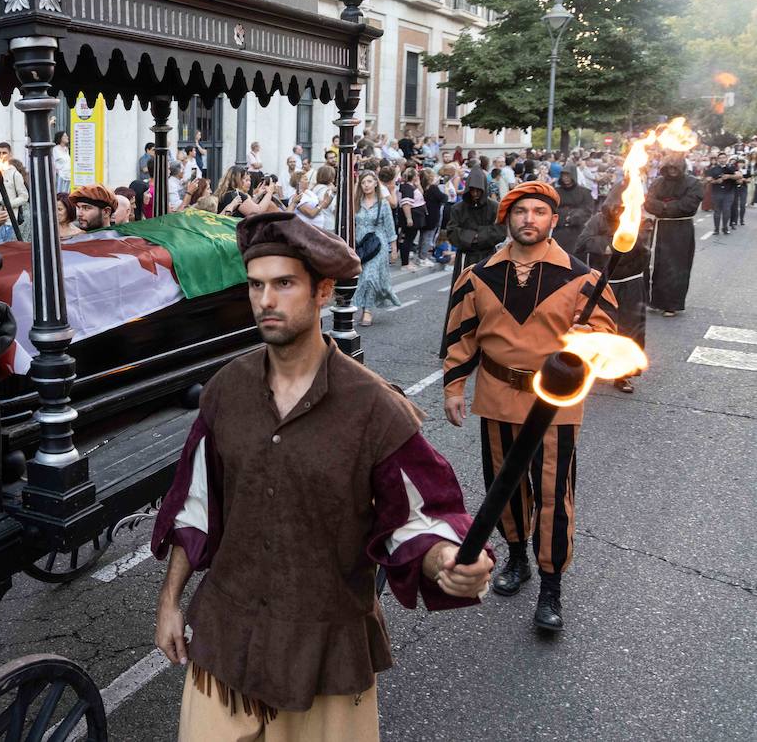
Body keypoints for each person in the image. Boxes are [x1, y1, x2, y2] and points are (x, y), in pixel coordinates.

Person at [152, 211, 493, 741]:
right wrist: (169, 603)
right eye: (256, 285)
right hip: (226, 637)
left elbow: (416, 518)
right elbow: (196, 507)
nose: (266, 300)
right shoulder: (225, 391)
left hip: (325, 649)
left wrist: (445, 558)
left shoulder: (375, 408)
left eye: (284, 284)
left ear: (322, 291)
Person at [443, 182, 617, 633]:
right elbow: (461, 336)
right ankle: (517, 557)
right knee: (503, 487)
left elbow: (607, 338)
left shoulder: (583, 278)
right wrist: (453, 388)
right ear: (508, 219)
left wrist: (589, 340)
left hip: (554, 403)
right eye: (521, 211)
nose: (529, 219)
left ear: (553, 220)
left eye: (539, 211)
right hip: (498, 397)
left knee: (554, 496)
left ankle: (551, 586)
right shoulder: (479, 275)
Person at [575, 192, 649, 393]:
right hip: (603, 282)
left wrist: (621, 243)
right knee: (597, 326)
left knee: (629, 329)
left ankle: (623, 374)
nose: (618, 211)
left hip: (629, 281)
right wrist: (608, 245)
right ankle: (595, 365)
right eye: (615, 206)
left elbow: (641, 245)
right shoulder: (597, 220)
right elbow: (582, 242)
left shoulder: (637, 219)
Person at [438, 167, 503, 359]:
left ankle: (486, 346)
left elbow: (499, 231)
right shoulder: (458, 208)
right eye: (472, 190)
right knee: (460, 301)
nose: (475, 194)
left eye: (478, 190)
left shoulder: (494, 207)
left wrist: (475, 236)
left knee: (488, 301)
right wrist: (474, 237)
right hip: (465, 257)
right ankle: (456, 344)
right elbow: (452, 232)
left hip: (487, 257)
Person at [645, 155, 703, 317]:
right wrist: (669, 205)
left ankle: (672, 304)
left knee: (676, 266)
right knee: (658, 264)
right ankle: (656, 301)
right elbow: (649, 203)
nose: (671, 171)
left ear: (681, 168)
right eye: (669, 168)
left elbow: (688, 205)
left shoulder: (693, 183)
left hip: (681, 229)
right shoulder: (658, 183)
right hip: (661, 226)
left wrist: (663, 205)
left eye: (675, 168)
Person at [353, 171, 400, 326]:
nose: (366, 185)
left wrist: (393, 249)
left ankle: (367, 311)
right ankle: (364, 305)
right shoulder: (356, 202)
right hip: (360, 245)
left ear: (375, 183)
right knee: (362, 278)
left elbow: (389, 226)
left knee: (370, 277)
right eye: (363, 182)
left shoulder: (383, 203)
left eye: (369, 181)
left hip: (378, 244)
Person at [0, 141, 29, 244]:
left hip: (7, 221)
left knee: (3, 252)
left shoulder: (15, 174)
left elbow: (24, 196)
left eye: (4, 153)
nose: (1, 155)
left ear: (10, 154)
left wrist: (8, 204)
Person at [550, 164, 594, 255]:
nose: (565, 178)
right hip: (559, 230)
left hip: (577, 231)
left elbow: (587, 210)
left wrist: (573, 217)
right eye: (563, 175)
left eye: (568, 175)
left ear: (573, 175)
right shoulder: (555, 192)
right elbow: (551, 208)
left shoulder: (584, 192)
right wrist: (565, 216)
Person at [395, 167, 427, 270]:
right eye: (417, 175)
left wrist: (418, 184)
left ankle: (406, 261)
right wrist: (409, 218)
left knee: (410, 239)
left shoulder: (412, 186)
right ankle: (405, 263)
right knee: (407, 240)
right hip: (412, 216)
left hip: (417, 215)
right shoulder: (406, 188)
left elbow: (422, 194)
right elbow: (406, 204)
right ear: (413, 176)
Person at [705, 152, 740, 235]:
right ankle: (716, 229)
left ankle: (725, 227)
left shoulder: (731, 167)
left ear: (726, 158)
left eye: (724, 158)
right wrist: (716, 181)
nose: (722, 159)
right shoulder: (713, 169)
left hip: (729, 192)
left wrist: (729, 176)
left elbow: (739, 176)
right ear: (718, 159)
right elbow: (708, 179)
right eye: (720, 158)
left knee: (726, 210)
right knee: (717, 211)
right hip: (716, 192)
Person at [419, 167, 447, 266]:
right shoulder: (433, 188)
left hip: (424, 215)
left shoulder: (421, 187)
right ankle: (423, 257)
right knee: (428, 237)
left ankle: (423, 255)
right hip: (432, 216)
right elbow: (444, 197)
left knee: (423, 236)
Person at [296, 164, 336, 231]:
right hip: (327, 224)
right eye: (305, 179)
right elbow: (330, 207)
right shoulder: (327, 190)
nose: (308, 181)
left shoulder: (314, 188)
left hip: (319, 224)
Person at [52, 128, 72, 195]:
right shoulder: (55, 149)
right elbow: (53, 163)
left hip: (68, 176)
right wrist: (58, 173)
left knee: (66, 195)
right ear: (60, 138)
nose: (67, 137)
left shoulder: (66, 149)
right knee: (59, 195)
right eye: (65, 136)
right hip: (60, 176)